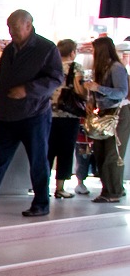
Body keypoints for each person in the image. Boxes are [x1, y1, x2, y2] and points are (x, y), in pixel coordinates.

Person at [0, 9, 63, 218]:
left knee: (37, 161)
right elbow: (1, 78)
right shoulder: (10, 49)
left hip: (34, 115)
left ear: (28, 25)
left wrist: (27, 90)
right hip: (8, 116)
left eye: (15, 28)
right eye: (9, 28)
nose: (11, 32)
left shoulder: (46, 48)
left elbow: (55, 79)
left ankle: (41, 203)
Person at [85, 35, 130, 203]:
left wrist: (99, 88)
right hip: (105, 113)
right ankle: (111, 189)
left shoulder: (116, 67)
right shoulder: (102, 68)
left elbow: (121, 92)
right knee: (101, 153)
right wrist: (92, 100)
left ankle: (113, 191)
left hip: (118, 114)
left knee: (113, 153)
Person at [49, 40, 88, 199]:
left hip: (49, 114)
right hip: (69, 114)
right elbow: (79, 89)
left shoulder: (51, 65)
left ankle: (41, 186)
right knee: (65, 151)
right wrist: (86, 93)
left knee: (48, 150)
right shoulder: (75, 67)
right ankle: (60, 188)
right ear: (72, 52)